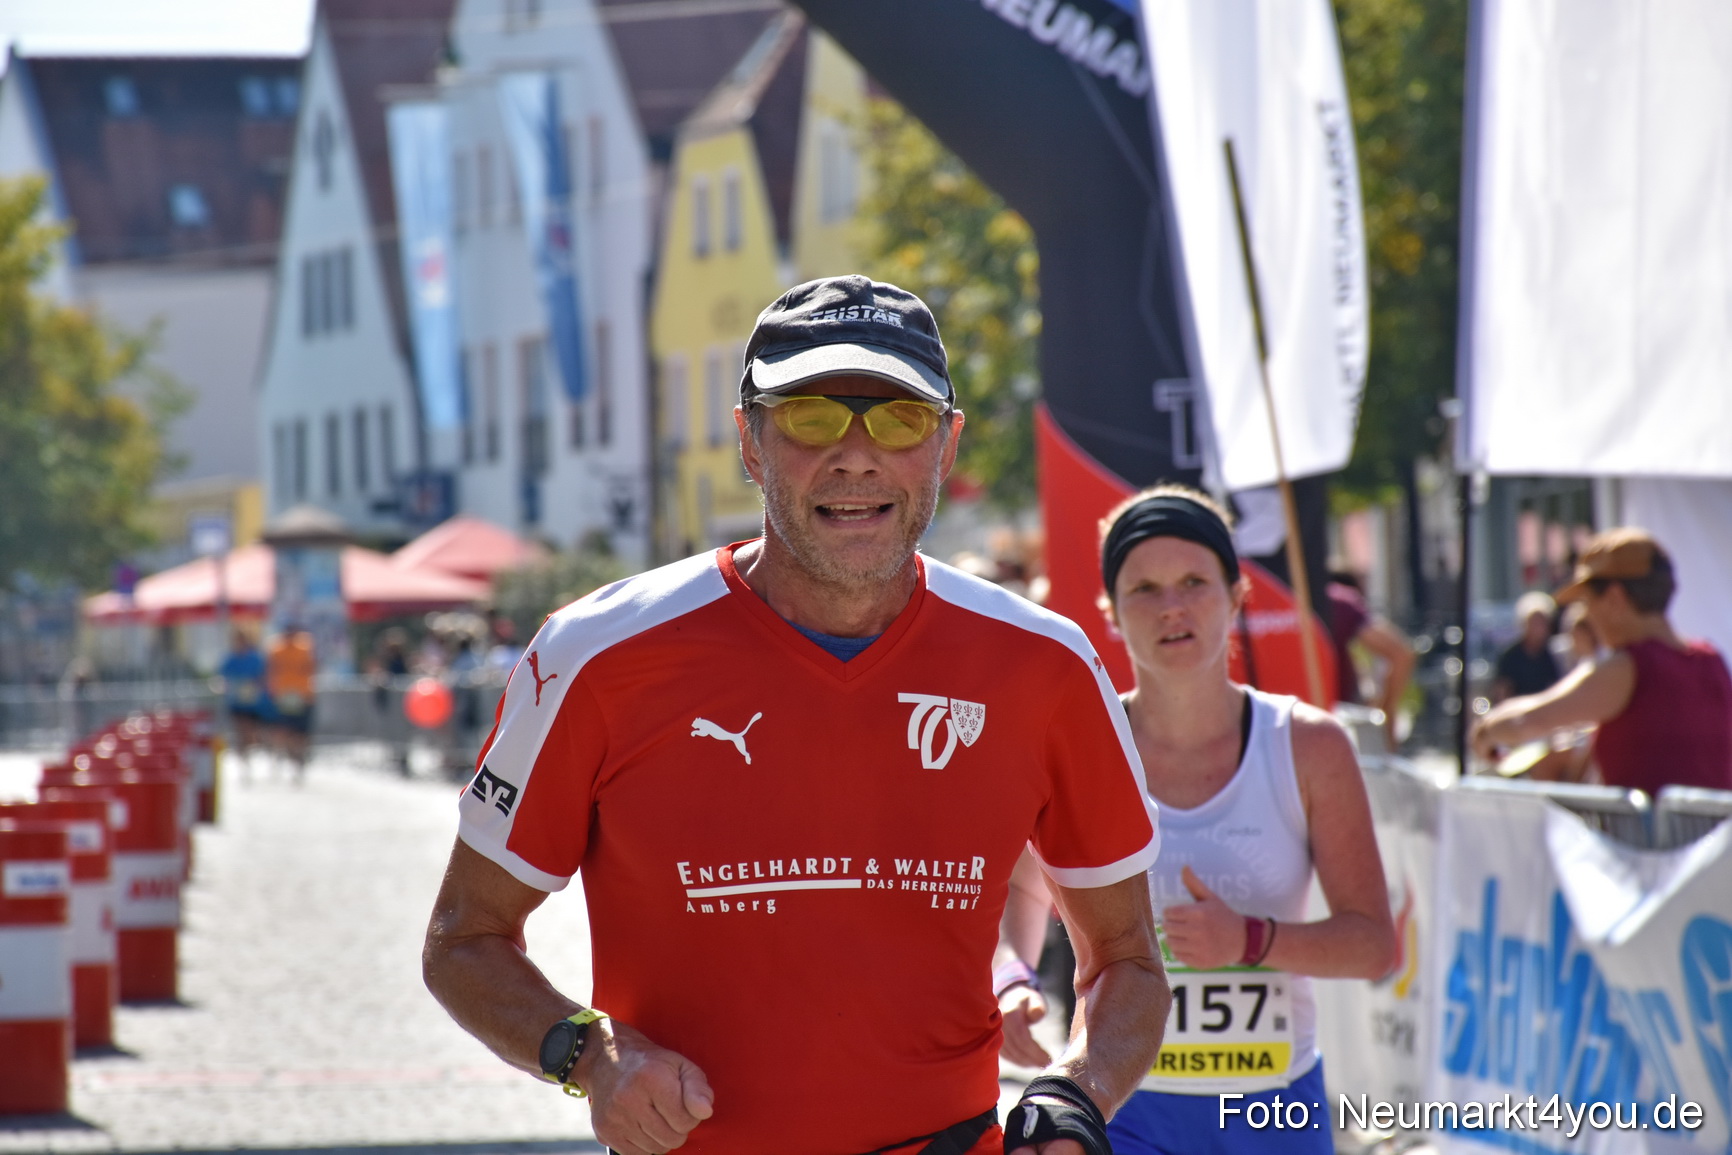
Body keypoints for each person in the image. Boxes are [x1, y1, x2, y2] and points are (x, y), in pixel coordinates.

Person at [423, 275, 1169, 1155]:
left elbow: (1127, 961)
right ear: (749, 437)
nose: (857, 457)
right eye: (813, 417)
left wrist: (1076, 1091)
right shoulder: (596, 654)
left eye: (898, 421)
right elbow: (463, 941)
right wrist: (589, 1055)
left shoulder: (1046, 662)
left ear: (947, 444)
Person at [998, 485, 1397, 1155]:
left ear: (1238, 595)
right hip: (1118, 1099)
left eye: (1193, 581)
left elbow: (1374, 945)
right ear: (1112, 614)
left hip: (1274, 1108)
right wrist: (1012, 979)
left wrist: (1249, 939)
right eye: (1145, 588)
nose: (1172, 606)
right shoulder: (1077, 743)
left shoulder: (1309, 745)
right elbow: (1021, 891)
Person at [1473, 527, 1732, 793]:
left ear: (1615, 599)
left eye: (1587, 602)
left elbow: (1526, 721)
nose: (1587, 615)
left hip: (1646, 835)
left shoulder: (1630, 666)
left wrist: (1486, 731)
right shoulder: (1712, 660)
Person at [1323, 571, 1415, 750]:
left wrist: (1383, 715)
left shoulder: (1335, 603)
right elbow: (1400, 654)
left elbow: (1400, 655)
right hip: (1333, 726)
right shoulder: (1337, 602)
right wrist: (1386, 715)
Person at [264, 623, 316, 782]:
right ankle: (287, 758)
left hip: (302, 695)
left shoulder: (304, 647)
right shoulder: (276, 649)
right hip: (285, 695)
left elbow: (311, 668)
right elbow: (271, 671)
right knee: (284, 731)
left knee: (300, 733)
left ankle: (298, 761)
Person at [216, 627, 270, 773]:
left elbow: (262, 677)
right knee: (241, 729)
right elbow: (223, 678)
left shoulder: (254, 658)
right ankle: (243, 757)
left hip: (252, 701)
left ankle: (248, 753)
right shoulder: (230, 658)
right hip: (236, 701)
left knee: (251, 730)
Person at [1493, 591, 1562, 703]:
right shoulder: (1510, 657)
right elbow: (1502, 691)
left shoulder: (1553, 655)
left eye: (1543, 622)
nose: (1540, 627)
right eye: (1535, 622)